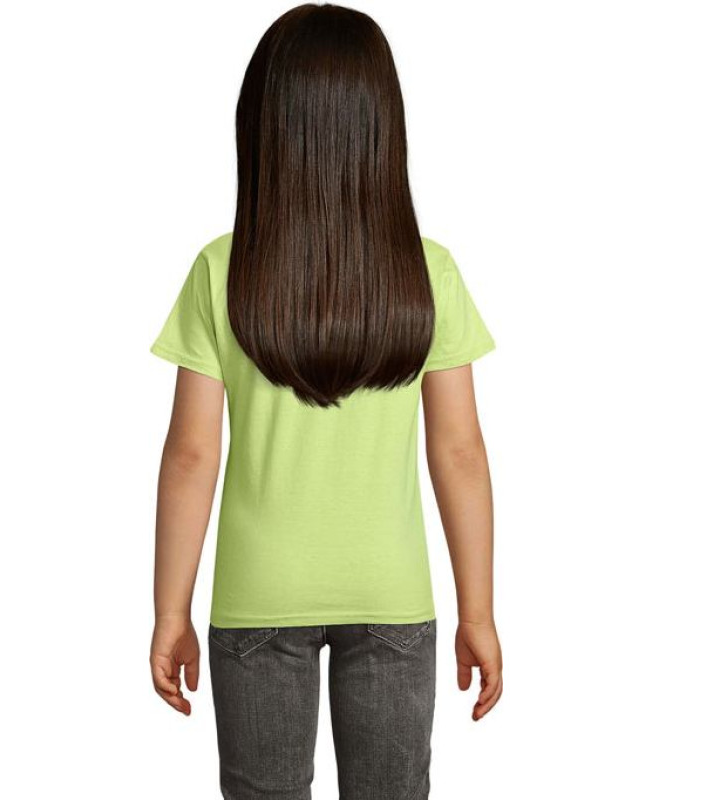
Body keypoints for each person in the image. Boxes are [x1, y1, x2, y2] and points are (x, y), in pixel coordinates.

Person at [148, 3, 503, 798]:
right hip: (392, 594)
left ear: (263, 126)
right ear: (382, 128)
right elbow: (460, 452)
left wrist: (171, 610)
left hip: (257, 597)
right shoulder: (428, 273)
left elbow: (192, 454)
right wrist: (477, 612)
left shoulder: (222, 269)